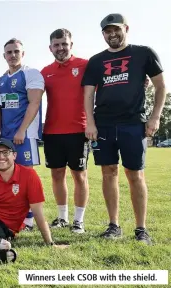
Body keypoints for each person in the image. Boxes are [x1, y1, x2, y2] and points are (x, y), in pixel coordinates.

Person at [82, 13, 166, 244]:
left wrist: (155, 117)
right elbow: (88, 94)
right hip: (104, 124)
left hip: (133, 123)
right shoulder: (96, 61)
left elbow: (160, 86)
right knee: (108, 173)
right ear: (103, 34)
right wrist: (90, 122)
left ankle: (141, 229)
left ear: (126, 28)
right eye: (107, 31)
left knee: (135, 174)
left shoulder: (143, 53)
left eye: (116, 29)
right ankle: (113, 226)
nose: (112, 34)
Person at [40, 29, 90, 233]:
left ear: (71, 44)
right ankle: (62, 217)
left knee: (79, 175)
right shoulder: (45, 72)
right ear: (50, 47)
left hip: (79, 130)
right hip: (52, 131)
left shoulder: (85, 65)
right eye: (56, 44)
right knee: (57, 175)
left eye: (64, 44)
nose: (60, 48)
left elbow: (108, 81)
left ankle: (79, 220)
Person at [0, 38, 45, 231]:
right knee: (10, 178)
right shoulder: (1, 79)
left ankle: (30, 220)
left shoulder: (31, 73)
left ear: (22, 53)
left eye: (16, 51)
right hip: (6, 137)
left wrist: (22, 130)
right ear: (4, 56)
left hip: (24, 136)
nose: (13, 55)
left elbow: (34, 103)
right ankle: (16, 217)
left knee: (27, 177)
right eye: (9, 52)